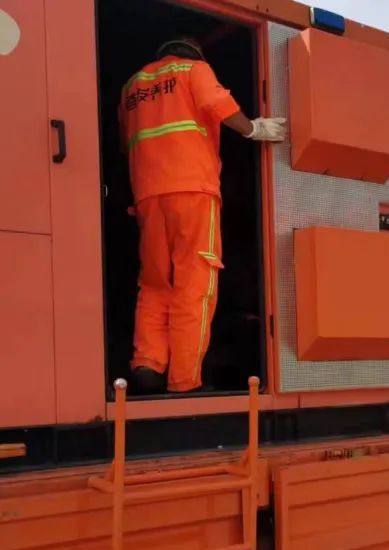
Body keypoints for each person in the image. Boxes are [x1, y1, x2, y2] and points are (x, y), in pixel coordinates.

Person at [120, 36, 285, 394]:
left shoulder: (133, 86)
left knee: (154, 283)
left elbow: (126, 137)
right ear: (195, 53)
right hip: (193, 189)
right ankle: (184, 380)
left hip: (148, 193)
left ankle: (148, 364)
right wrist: (254, 128)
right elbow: (215, 102)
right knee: (195, 283)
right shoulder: (193, 69)